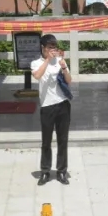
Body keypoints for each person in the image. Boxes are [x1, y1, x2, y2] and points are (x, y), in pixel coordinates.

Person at [32, 34, 73, 185]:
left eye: (54, 47)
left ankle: (62, 171)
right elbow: (37, 75)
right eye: (50, 47)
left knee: (63, 140)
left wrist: (64, 67)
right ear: (43, 48)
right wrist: (48, 60)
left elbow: (69, 81)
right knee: (46, 141)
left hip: (63, 104)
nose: (53, 50)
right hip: (47, 106)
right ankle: (45, 171)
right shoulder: (36, 63)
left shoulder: (60, 61)